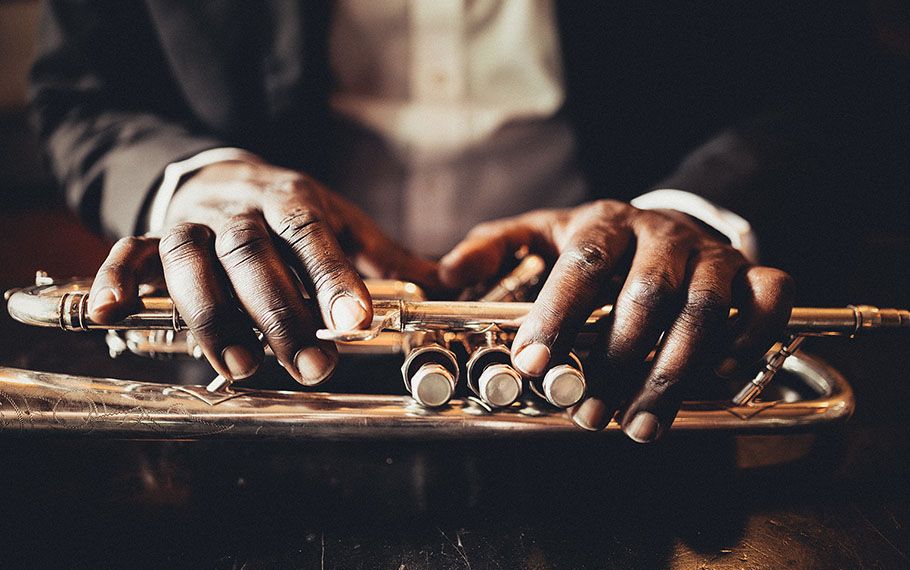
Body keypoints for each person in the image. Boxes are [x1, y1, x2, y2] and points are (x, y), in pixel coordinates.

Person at [30, 1, 874, 442]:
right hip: (255, 332)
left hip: (618, 338)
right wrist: (204, 182)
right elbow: (83, 94)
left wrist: (685, 212)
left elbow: (830, 80)